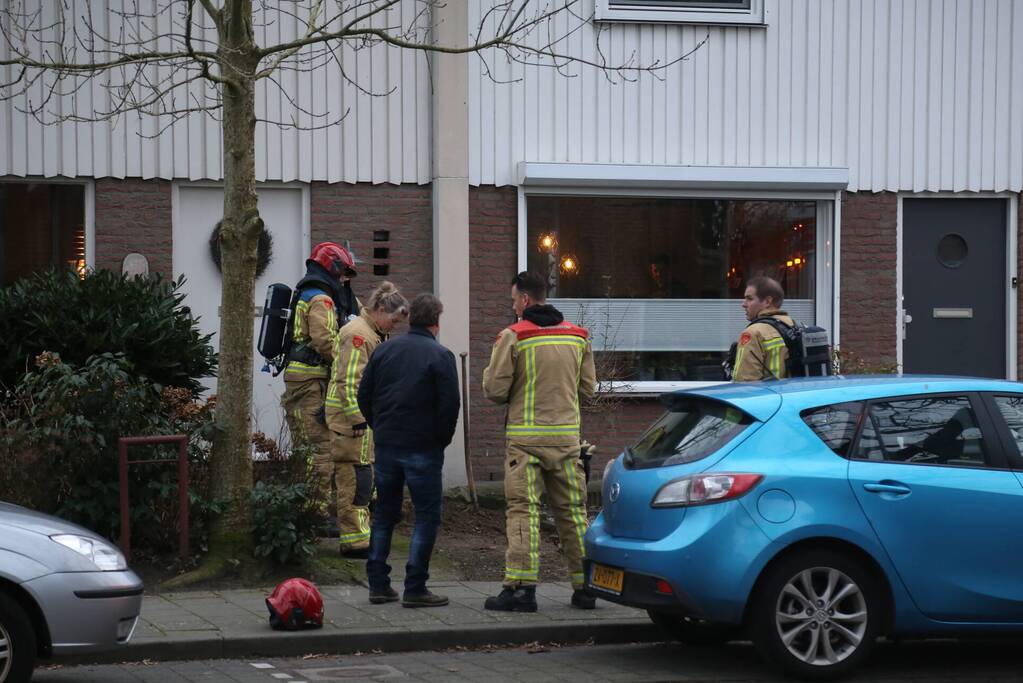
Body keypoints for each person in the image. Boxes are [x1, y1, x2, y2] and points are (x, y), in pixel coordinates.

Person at [482, 271, 597, 612]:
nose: (513, 306)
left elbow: (495, 390)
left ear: (525, 299)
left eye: (513, 300)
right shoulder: (578, 336)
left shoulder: (514, 336)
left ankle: (521, 589)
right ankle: (586, 588)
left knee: (523, 512)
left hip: (525, 443)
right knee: (574, 513)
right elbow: (588, 389)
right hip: (567, 441)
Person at [357, 293, 460, 608]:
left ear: (411, 318)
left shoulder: (384, 350)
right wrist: (439, 440)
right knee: (426, 516)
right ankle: (415, 587)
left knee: (384, 515)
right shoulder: (441, 356)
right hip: (423, 447)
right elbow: (449, 406)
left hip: (388, 445)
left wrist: (379, 426)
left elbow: (364, 395)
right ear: (436, 322)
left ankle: (378, 584)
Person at [325, 281, 409, 558]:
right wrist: (358, 418)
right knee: (355, 479)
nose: (394, 326)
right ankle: (355, 542)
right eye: (393, 320)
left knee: (363, 477)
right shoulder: (358, 335)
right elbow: (350, 381)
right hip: (351, 424)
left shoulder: (373, 333)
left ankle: (361, 536)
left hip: (362, 422)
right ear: (381, 309)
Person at [280, 242, 359, 531]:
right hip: (309, 383)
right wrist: (352, 362)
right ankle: (314, 515)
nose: (344, 280)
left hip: (309, 381)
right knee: (318, 449)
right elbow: (325, 341)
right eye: (343, 273)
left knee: (313, 447)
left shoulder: (313, 292)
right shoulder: (321, 299)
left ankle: (309, 509)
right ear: (332, 267)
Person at [732, 276, 795, 382]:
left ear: (767, 301)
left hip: (766, 393)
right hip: (793, 392)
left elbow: (745, 382)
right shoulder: (792, 326)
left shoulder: (753, 333)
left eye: (749, 299)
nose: (743, 304)